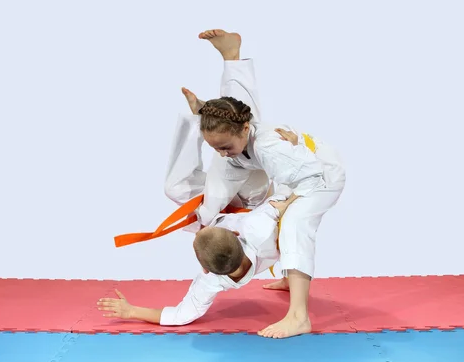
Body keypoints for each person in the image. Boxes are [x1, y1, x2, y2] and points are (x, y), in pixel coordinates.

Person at [188, 29, 347, 338]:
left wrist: (284, 203)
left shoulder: (270, 147)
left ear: (245, 130)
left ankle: (299, 316)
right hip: (266, 161)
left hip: (320, 177)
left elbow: (307, 178)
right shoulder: (241, 131)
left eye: (224, 146)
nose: (219, 154)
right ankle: (232, 58)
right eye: (214, 148)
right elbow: (236, 119)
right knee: (212, 205)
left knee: (294, 225)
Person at [97, 110, 300, 331]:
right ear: (235, 233)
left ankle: (197, 121)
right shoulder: (257, 229)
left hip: (225, 206)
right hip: (253, 197)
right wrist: (291, 146)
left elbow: (180, 315)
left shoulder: (212, 281)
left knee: (174, 188)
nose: (200, 229)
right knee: (230, 152)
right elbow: (286, 192)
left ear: (205, 269)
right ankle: (237, 121)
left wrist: (131, 311)